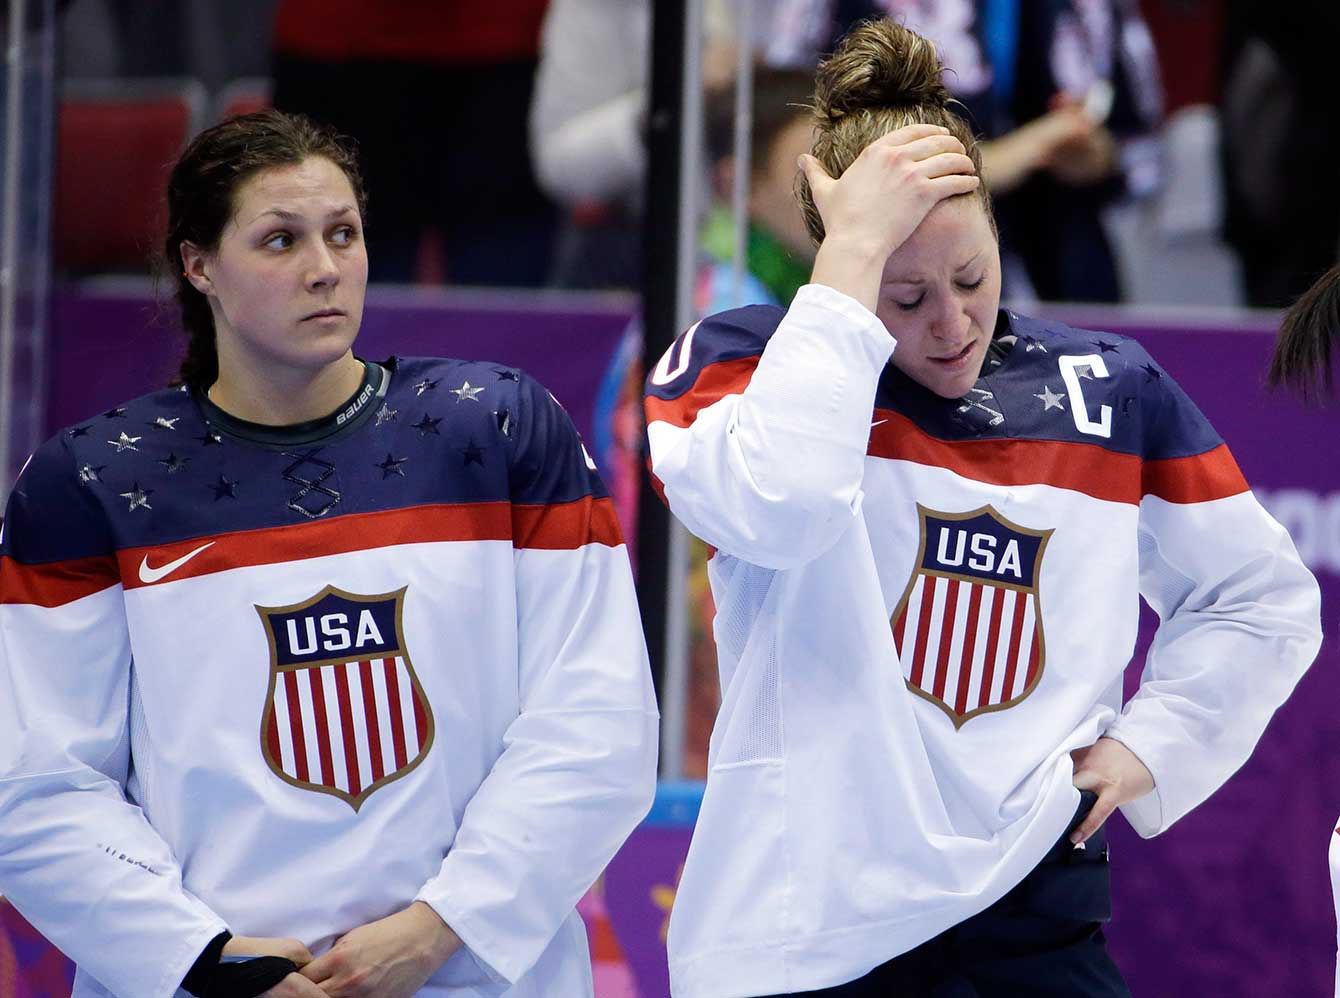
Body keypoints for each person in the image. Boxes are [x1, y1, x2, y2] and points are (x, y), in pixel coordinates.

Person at [645, 19, 1320, 998]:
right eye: (903, 294)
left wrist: (1151, 744)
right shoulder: (740, 363)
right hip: (802, 929)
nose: (951, 322)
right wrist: (847, 268)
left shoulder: (1104, 387)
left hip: (1035, 916)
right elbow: (784, 505)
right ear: (843, 266)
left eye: (971, 277)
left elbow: (1259, 596)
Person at [0, 109, 658, 998]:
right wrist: (201, 958)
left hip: (474, 977)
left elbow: (596, 719)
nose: (324, 268)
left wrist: (442, 926)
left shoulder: (497, 427)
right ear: (199, 265)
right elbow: (35, 780)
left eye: (342, 233)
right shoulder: (91, 481)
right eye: (280, 240)